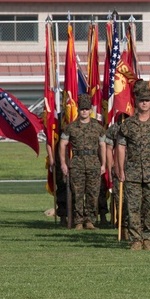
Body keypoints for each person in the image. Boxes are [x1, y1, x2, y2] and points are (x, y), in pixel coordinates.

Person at [117, 82, 150, 250]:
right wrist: (120, 169)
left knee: (149, 207)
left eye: (147, 100)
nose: (144, 103)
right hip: (132, 173)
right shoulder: (128, 125)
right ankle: (135, 240)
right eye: (141, 101)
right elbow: (121, 148)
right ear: (136, 102)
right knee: (133, 207)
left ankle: (148, 239)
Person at [58, 94, 107, 230]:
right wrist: (63, 163)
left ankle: (90, 221)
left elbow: (102, 146)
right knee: (78, 193)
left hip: (93, 163)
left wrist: (103, 164)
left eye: (86, 109)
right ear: (78, 110)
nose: (84, 111)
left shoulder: (98, 127)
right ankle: (78, 221)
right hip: (77, 163)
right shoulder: (71, 127)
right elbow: (62, 145)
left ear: (91, 110)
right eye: (81, 109)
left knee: (93, 193)